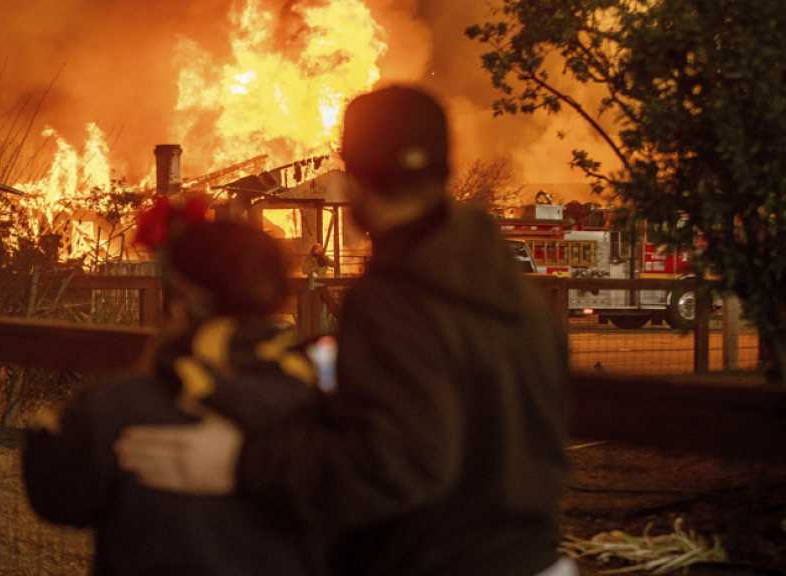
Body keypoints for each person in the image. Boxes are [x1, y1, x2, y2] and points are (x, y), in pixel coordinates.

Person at [116, 86, 574, 576]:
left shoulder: (396, 296)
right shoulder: (509, 288)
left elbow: (395, 463)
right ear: (444, 167)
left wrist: (240, 462)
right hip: (535, 560)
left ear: (356, 174)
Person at [22, 208, 326, 576]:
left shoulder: (116, 407)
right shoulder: (324, 402)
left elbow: (57, 499)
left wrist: (45, 427)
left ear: (179, 299)